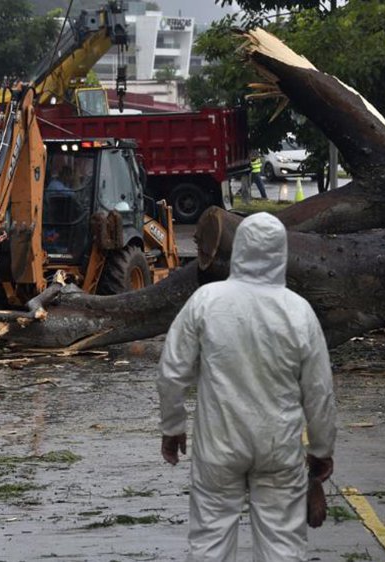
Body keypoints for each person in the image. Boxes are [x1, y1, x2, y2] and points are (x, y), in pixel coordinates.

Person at [158, 212, 337, 561]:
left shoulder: (207, 301)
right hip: (278, 447)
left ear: (238, 250)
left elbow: (172, 371)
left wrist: (172, 426)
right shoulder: (299, 311)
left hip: (218, 447)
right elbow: (319, 391)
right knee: (282, 546)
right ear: (281, 253)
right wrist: (321, 448)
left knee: (210, 542)